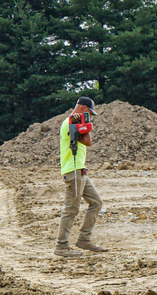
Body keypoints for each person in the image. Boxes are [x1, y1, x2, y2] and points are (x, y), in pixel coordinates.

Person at [55, 96, 108, 257]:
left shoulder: (74, 120)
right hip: (73, 171)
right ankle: (61, 246)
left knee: (96, 202)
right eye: (89, 113)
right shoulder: (71, 121)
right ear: (84, 108)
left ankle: (84, 239)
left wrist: (83, 123)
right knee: (71, 209)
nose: (90, 116)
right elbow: (88, 141)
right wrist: (83, 123)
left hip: (80, 170)